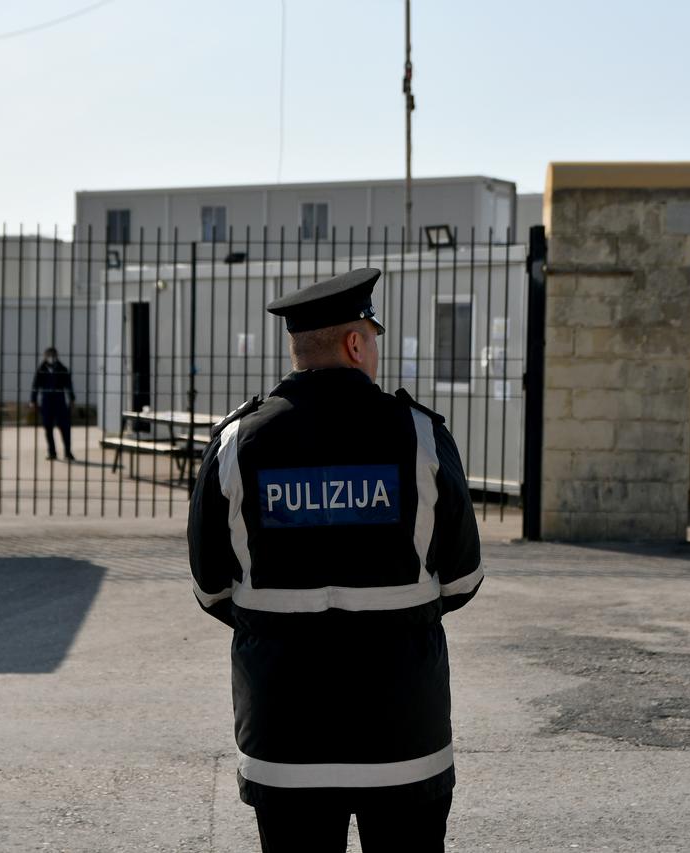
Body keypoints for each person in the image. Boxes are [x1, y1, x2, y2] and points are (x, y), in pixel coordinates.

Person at [188, 268, 482, 853]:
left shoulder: (235, 442)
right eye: (372, 336)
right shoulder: (420, 435)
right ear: (355, 343)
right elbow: (462, 579)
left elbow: (212, 589)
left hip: (284, 737)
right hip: (403, 735)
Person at [30, 346, 76, 461]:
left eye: (52, 355)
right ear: (45, 357)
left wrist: (72, 399)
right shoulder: (41, 370)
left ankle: (68, 452)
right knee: (48, 428)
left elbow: (69, 385)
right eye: (48, 355)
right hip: (46, 402)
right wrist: (33, 400)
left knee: (65, 428)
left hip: (59, 401)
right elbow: (35, 386)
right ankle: (52, 452)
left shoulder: (63, 369)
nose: (50, 358)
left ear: (56, 356)